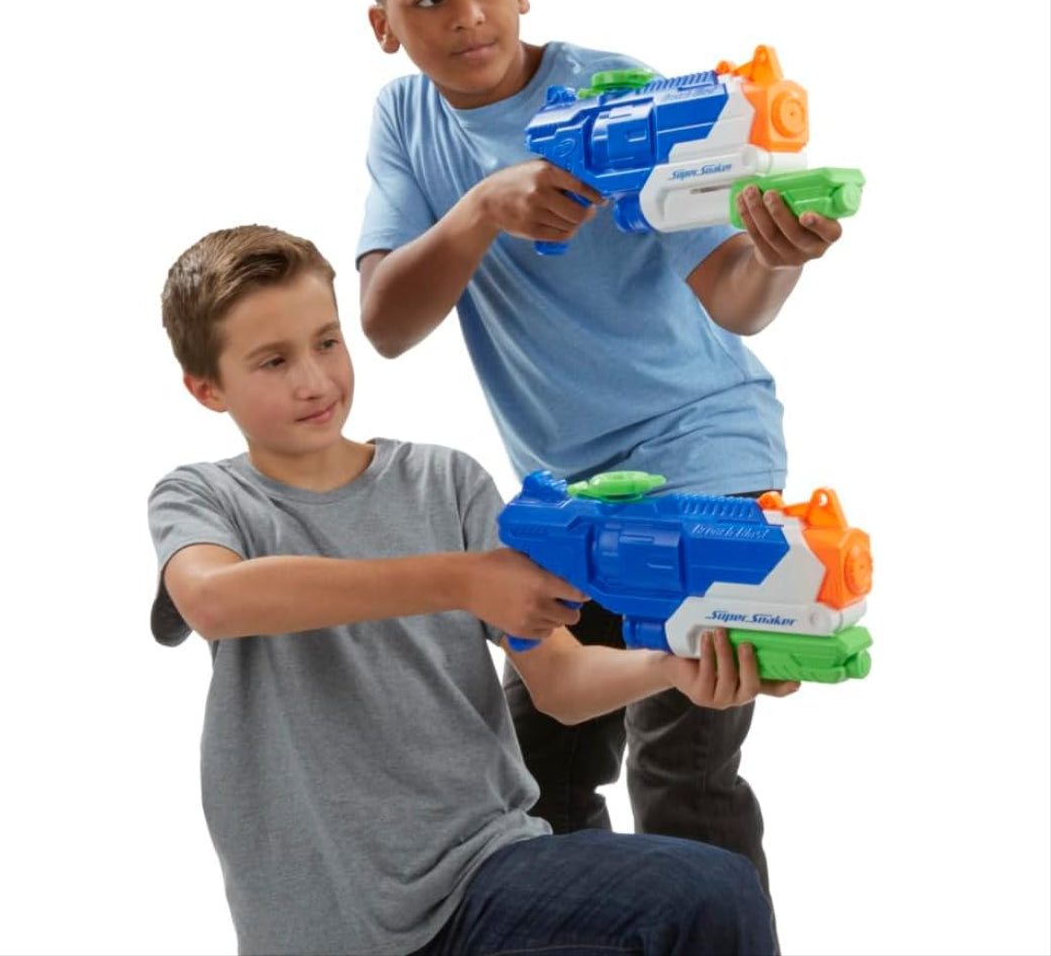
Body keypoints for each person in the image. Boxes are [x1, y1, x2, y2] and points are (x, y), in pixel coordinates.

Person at [356, 0, 851, 917]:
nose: (468, 14)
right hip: (573, 501)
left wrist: (777, 253)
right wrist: (484, 208)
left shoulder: (619, 95)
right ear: (384, 25)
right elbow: (386, 323)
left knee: (684, 766)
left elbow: (735, 298)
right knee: (532, 775)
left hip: (706, 452)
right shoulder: (405, 117)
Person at [148, 223, 795, 955]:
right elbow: (214, 600)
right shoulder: (203, 498)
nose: (314, 380)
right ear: (207, 388)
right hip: (329, 928)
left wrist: (674, 667)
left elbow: (560, 682)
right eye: (274, 361)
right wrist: (460, 579)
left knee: (711, 890)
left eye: (327, 342)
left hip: (487, 875)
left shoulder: (446, 481)